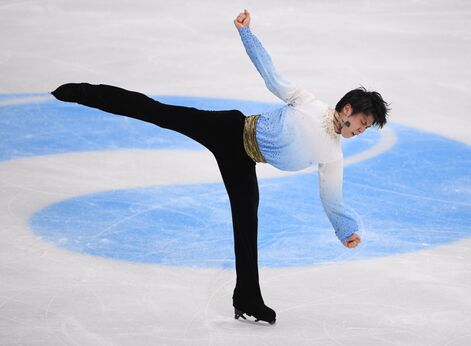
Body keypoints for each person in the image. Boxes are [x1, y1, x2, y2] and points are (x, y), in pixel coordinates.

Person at [50, 9, 389, 325]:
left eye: (365, 127)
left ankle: (248, 300)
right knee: (159, 112)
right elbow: (270, 74)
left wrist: (347, 231)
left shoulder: (333, 154)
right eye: (361, 121)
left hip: (244, 162)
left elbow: (332, 199)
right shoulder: (308, 103)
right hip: (230, 129)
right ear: (346, 109)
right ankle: (85, 92)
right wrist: (246, 33)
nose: (360, 130)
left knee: (247, 225)